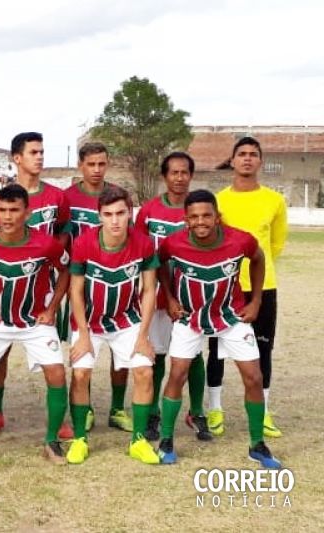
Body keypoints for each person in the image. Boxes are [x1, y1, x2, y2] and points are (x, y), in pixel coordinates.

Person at [156, 189, 281, 468]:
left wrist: (257, 299)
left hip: (231, 316)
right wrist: (171, 297)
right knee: (177, 373)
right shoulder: (173, 243)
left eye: (206, 215)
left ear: (217, 217)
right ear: (186, 220)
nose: (201, 222)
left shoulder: (241, 240)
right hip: (190, 318)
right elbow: (160, 263)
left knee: (254, 377)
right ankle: (166, 440)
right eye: (194, 217)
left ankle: (257, 445)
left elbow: (259, 259)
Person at [0, 184, 71, 465]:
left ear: (27, 213)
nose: (8, 216)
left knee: (57, 374)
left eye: (14, 210)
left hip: (34, 321)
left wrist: (52, 307)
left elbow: (67, 269)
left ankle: (51, 441)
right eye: (2, 210)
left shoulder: (46, 243)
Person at [0, 132, 71, 439]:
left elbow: (61, 240)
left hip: (40, 288)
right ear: (16, 158)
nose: (40, 157)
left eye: (42, 151)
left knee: (52, 361)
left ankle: (58, 420)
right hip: (4, 288)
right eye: (34, 152)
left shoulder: (57, 197)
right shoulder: (0, 198)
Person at [66, 186, 159, 465]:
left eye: (121, 213)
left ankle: (139, 441)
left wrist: (143, 336)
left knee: (144, 371)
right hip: (89, 322)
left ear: (130, 213)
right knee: (80, 374)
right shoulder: (83, 243)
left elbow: (150, 290)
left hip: (126, 319)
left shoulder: (143, 243)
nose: (115, 220)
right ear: (99, 216)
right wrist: (82, 335)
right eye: (108, 214)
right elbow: (76, 291)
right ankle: (80, 439)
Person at [207, 137, 287, 439]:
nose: (247, 159)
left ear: (260, 161)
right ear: (232, 160)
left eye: (254, 154)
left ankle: (263, 411)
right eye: (242, 154)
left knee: (263, 348)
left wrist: (255, 275)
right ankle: (215, 409)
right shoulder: (219, 201)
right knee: (217, 350)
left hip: (262, 287)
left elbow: (276, 244)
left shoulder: (274, 200)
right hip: (223, 286)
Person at [134, 152, 210, 441]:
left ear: (191, 175)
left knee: (193, 354)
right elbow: (140, 250)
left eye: (184, 173)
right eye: (173, 173)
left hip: (191, 292)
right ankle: (153, 413)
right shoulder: (150, 211)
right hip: (156, 293)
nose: (179, 178)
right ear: (164, 177)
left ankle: (197, 411)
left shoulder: (200, 209)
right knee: (156, 354)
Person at [62, 142, 132, 434]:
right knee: (83, 348)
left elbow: (131, 235)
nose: (96, 170)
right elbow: (61, 240)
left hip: (116, 281)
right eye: (91, 164)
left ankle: (117, 408)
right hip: (81, 282)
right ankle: (86, 407)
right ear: (81, 165)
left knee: (121, 349)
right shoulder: (67, 198)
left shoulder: (118, 195)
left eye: (101, 164)